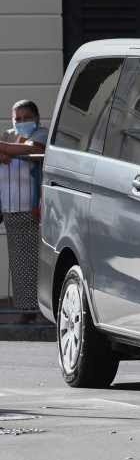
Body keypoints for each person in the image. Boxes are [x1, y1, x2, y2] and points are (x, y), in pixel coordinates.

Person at [1, 100, 48, 324]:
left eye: (26, 118)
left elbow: (33, 150)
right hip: (10, 207)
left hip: (33, 209)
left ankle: (42, 309)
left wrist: (9, 150)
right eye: (17, 119)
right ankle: (26, 309)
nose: (21, 122)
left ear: (36, 118)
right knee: (19, 264)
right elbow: (9, 152)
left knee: (37, 262)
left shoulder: (42, 134)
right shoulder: (8, 135)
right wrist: (9, 149)